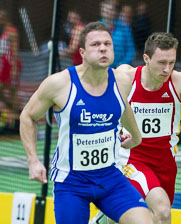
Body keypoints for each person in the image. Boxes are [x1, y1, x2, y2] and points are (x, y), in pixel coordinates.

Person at [19, 21, 153, 224]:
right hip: (71, 182)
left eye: (107, 44)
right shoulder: (59, 84)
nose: (103, 48)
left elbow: (123, 105)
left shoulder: (120, 80)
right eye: (96, 44)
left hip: (111, 177)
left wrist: (137, 136)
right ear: (82, 52)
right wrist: (33, 161)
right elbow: (27, 116)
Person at [90, 32, 181, 224]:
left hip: (165, 163)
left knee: (150, 216)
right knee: (162, 210)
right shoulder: (126, 77)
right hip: (131, 158)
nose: (167, 69)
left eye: (172, 62)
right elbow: (105, 108)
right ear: (146, 58)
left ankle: (105, 218)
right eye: (162, 63)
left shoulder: (179, 82)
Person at [0, 10, 22, 130]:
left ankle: (14, 122)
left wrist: (14, 69)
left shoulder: (12, 32)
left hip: (12, 65)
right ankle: (16, 112)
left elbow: (14, 51)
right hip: (4, 66)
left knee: (13, 92)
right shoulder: (4, 32)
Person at [100, 0, 135, 68]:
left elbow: (130, 49)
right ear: (102, 12)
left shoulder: (125, 28)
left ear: (115, 12)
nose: (108, 12)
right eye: (106, 10)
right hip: (101, 68)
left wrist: (123, 64)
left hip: (121, 69)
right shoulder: (95, 28)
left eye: (111, 10)